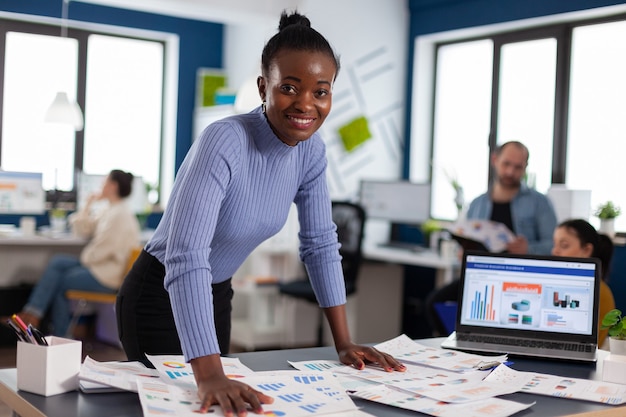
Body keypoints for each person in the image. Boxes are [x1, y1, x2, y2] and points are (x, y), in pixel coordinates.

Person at [116, 11, 405, 417]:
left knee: (222, 409)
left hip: (217, 294)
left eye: (321, 91)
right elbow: (186, 255)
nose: (306, 103)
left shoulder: (311, 152)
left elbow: (321, 243)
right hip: (160, 294)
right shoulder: (225, 140)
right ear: (262, 87)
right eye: (289, 87)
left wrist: (344, 343)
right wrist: (209, 372)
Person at [426, 141, 558, 335]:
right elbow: (469, 237)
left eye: (518, 167)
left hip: (522, 280)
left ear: (525, 168)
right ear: (495, 160)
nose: (511, 172)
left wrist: (528, 248)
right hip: (483, 279)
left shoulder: (539, 203)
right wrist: (465, 253)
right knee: (433, 303)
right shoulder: (478, 203)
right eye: (506, 164)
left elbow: (554, 246)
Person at [16, 169, 140, 337]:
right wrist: (88, 204)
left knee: (60, 283)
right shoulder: (110, 210)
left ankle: (61, 336)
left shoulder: (120, 215)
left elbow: (103, 250)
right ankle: (33, 313)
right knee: (58, 262)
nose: (101, 185)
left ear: (113, 185)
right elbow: (83, 229)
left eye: (104, 181)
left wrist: (84, 258)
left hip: (107, 275)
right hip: (98, 266)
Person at [551, 219, 616, 347]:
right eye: (555, 244)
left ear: (586, 250)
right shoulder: (561, 284)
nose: (555, 251)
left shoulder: (599, 291)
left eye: (564, 245)